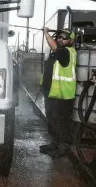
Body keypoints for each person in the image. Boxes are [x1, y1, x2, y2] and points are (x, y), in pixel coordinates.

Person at [39, 28, 77, 158]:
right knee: (52, 119)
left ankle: (62, 147)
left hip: (62, 94)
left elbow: (54, 46)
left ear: (71, 40)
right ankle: (54, 144)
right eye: (59, 37)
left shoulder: (66, 52)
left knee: (60, 122)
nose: (60, 39)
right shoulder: (58, 52)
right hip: (52, 92)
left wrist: (46, 33)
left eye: (64, 38)